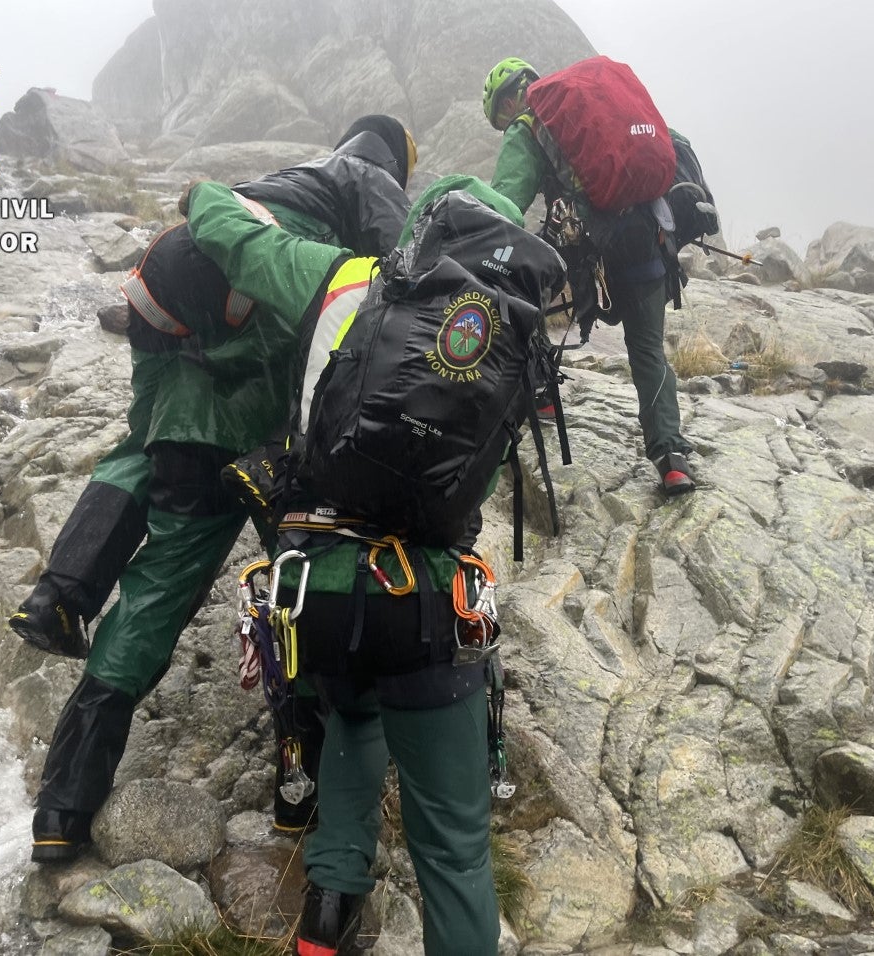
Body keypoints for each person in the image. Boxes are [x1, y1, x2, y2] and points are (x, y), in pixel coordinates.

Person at [23, 117, 417, 861]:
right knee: (301, 589)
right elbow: (400, 284)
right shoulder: (364, 180)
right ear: (391, 160)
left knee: (153, 591)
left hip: (171, 344)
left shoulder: (270, 187)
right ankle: (302, 796)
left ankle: (61, 808)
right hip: (267, 406)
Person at [184, 173, 553, 956]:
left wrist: (205, 194)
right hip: (422, 600)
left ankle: (327, 918)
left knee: (353, 714)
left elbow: (236, 241)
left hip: (313, 587)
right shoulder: (516, 330)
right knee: (452, 848)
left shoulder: (349, 277)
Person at [482, 57, 698, 497]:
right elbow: (671, 145)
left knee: (530, 310)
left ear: (508, 100)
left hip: (589, 260)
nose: (506, 125)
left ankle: (538, 392)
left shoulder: (530, 127)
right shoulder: (593, 106)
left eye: (499, 118)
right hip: (648, 244)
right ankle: (671, 458)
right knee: (648, 351)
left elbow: (505, 205)